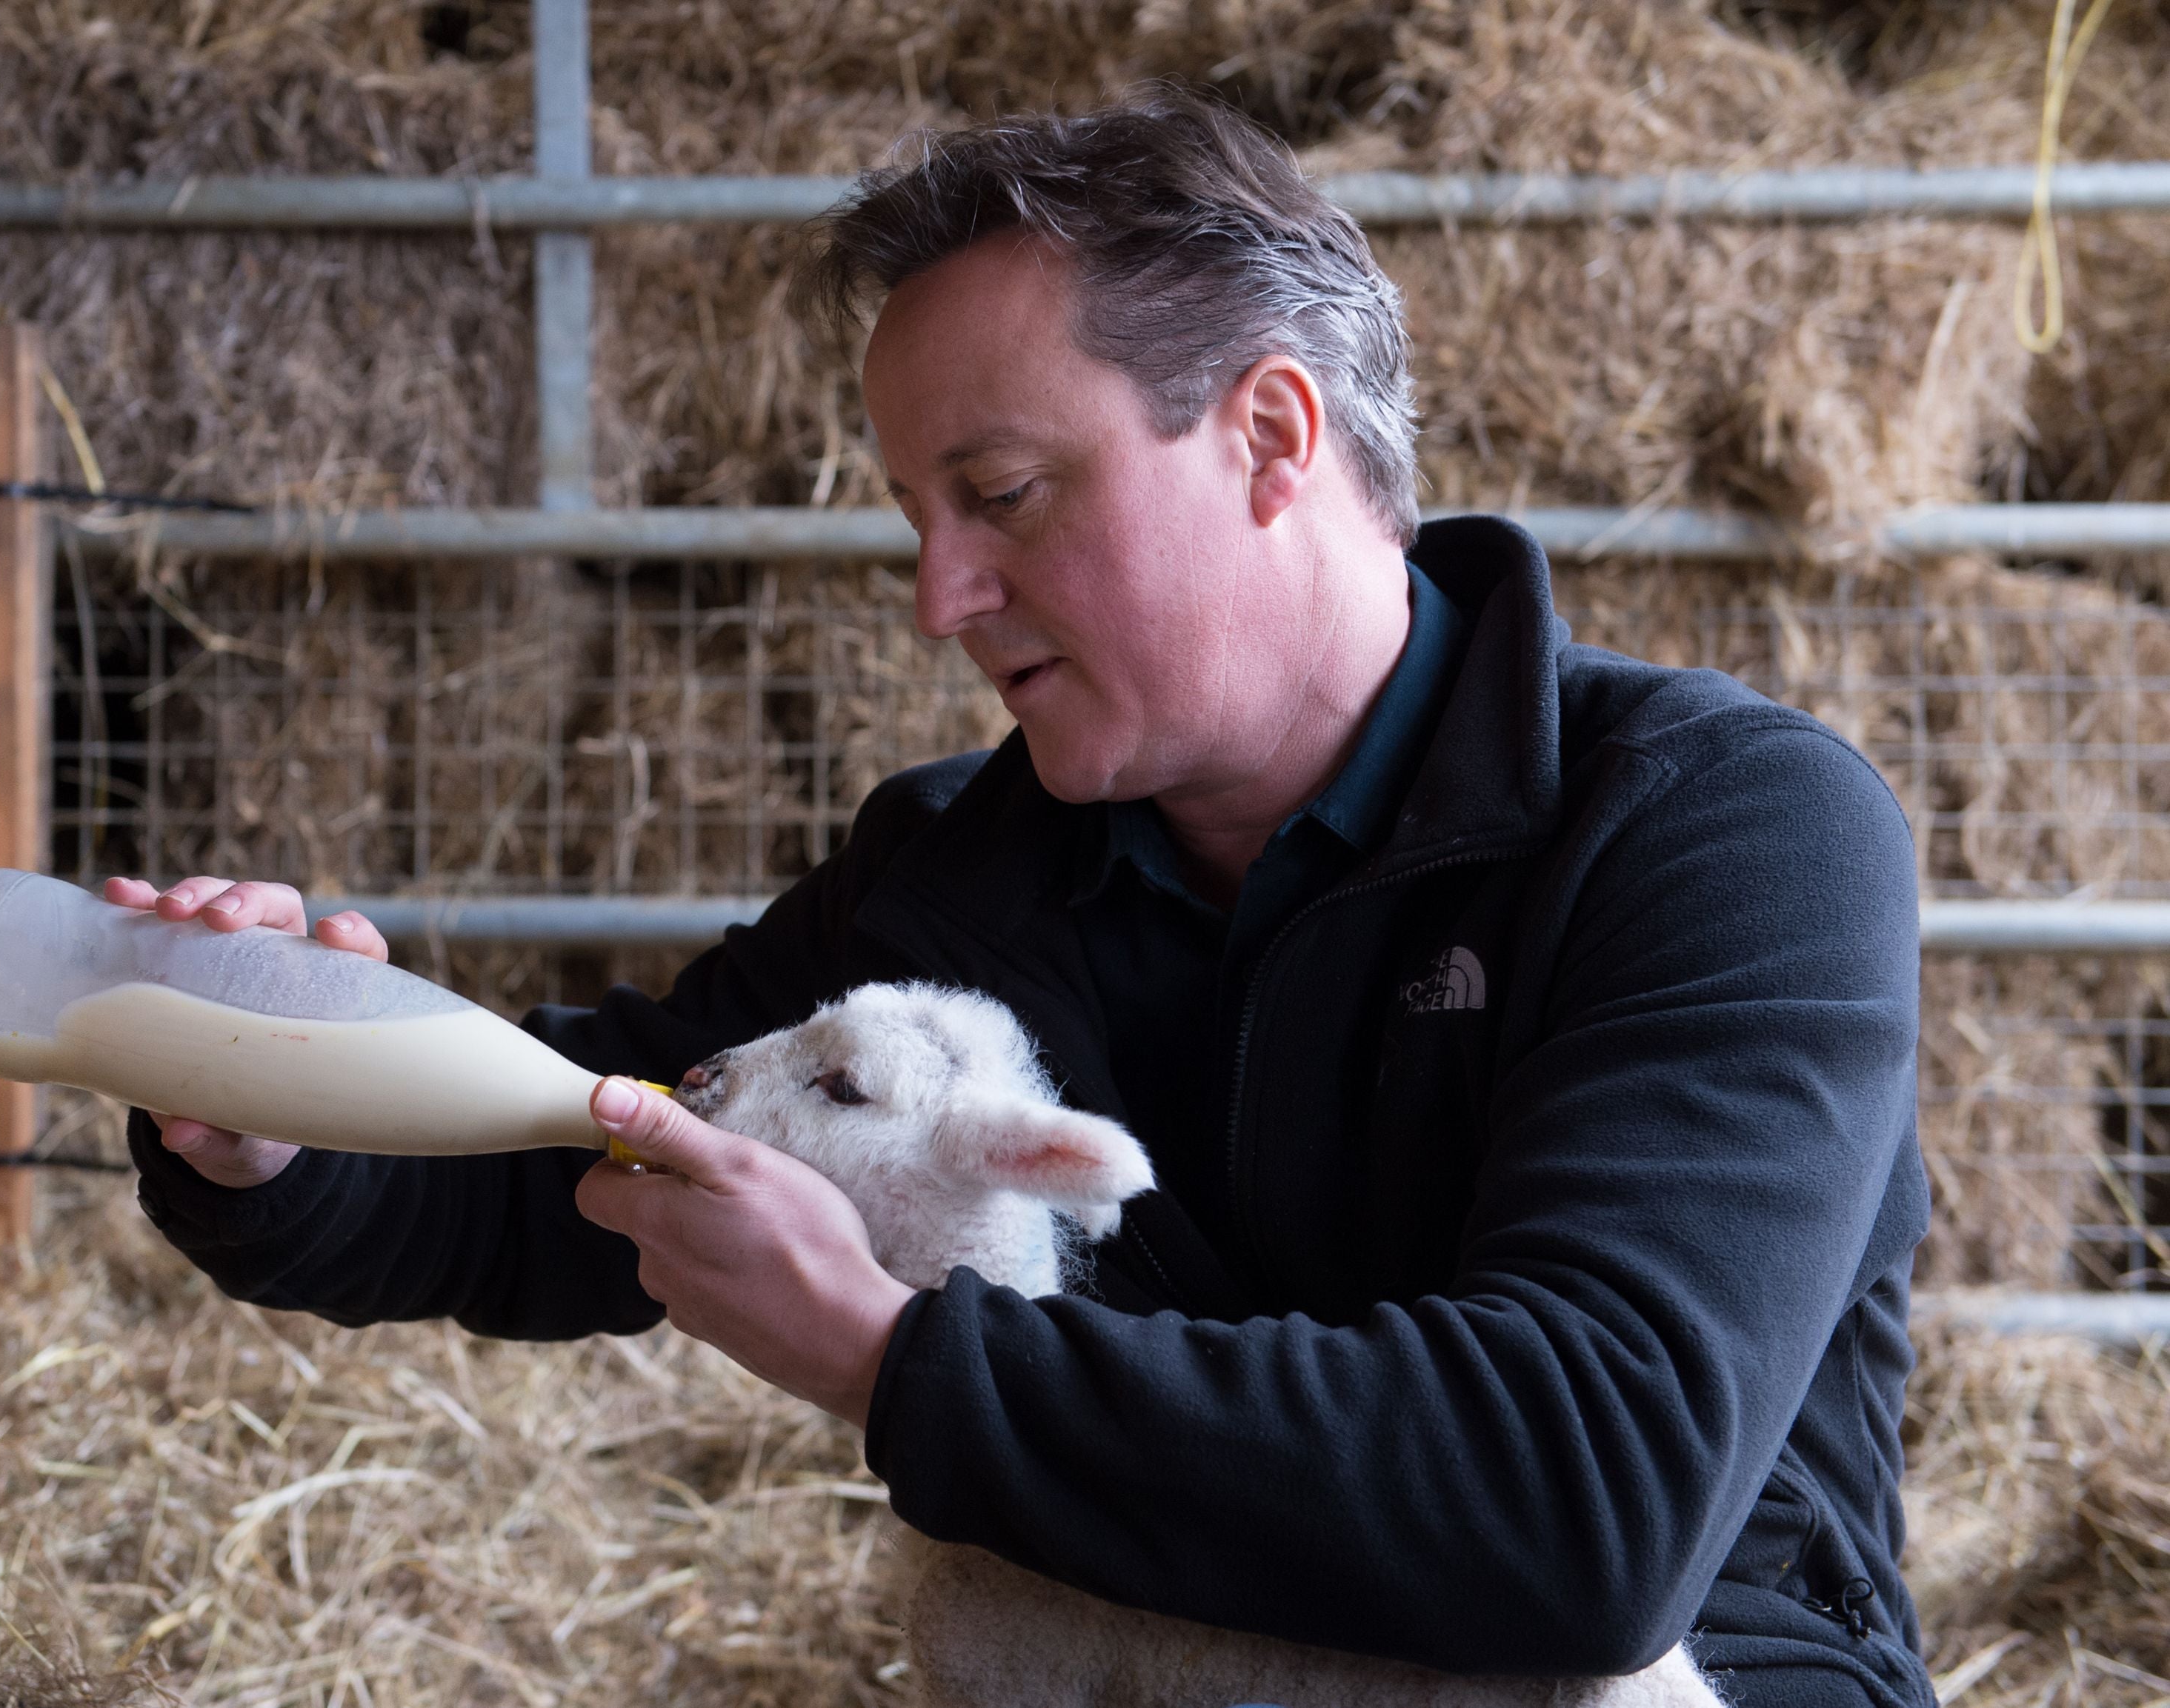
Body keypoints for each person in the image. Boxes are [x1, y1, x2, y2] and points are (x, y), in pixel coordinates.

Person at [110, 93, 1931, 1708]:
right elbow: (612, 1138)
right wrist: (284, 1105)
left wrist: (896, 1360)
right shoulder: (963, 876)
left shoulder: (1718, 832)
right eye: (918, 515)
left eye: (1002, 494)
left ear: (1272, 438)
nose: (939, 594)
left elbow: (1581, 1500)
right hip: (1151, 1653)